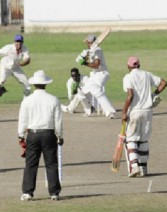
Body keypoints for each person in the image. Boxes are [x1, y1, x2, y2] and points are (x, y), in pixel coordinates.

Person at [18, 70, 64, 201]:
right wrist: (60, 136)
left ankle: (27, 191)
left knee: (31, 163)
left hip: (33, 134)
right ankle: (54, 192)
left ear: (34, 84)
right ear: (45, 84)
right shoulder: (53, 99)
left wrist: (20, 135)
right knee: (51, 163)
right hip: (49, 134)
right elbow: (58, 121)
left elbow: (23, 120)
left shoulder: (27, 100)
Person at [121, 56, 167, 177]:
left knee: (131, 139)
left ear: (128, 67)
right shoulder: (147, 74)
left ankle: (134, 166)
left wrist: (124, 112)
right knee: (143, 139)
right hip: (148, 111)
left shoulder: (128, 77)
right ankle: (143, 169)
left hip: (135, 111)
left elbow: (130, 96)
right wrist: (153, 94)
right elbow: (163, 83)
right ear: (139, 65)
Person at [75, 34, 116, 119]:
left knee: (95, 90)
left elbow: (97, 65)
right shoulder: (89, 50)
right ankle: (90, 109)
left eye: (87, 42)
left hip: (102, 73)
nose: (86, 43)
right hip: (94, 74)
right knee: (81, 91)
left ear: (89, 42)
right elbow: (82, 59)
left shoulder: (98, 50)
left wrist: (85, 63)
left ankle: (110, 112)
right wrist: (83, 57)